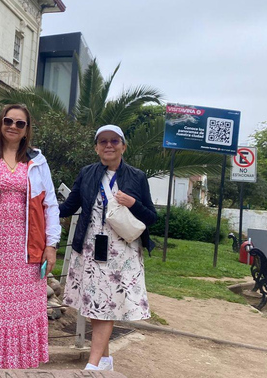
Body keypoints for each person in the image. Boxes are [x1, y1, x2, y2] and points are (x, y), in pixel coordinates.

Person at [0, 104, 61, 369]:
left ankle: (18, 367)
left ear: (27, 130)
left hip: (29, 248)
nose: (13, 127)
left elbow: (50, 204)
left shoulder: (37, 161)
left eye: (20, 123)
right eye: (8, 121)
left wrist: (51, 245)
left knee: (24, 310)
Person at [58, 124, 157, 371]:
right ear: (96, 148)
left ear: (123, 146)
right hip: (91, 249)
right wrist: (39, 206)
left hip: (121, 253)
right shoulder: (88, 173)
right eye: (103, 141)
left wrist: (133, 203)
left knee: (107, 306)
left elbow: (151, 218)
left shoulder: (137, 177)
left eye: (114, 141)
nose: (109, 145)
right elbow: (68, 207)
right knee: (96, 305)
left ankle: (92, 366)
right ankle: (105, 361)